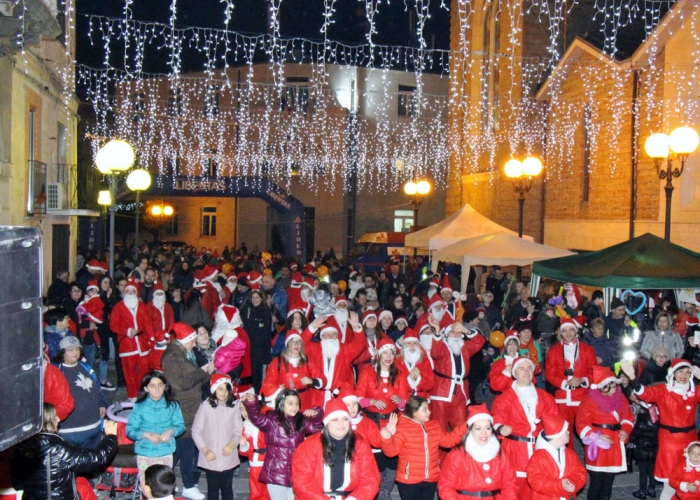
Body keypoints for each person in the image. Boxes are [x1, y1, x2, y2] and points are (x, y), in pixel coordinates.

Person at [620, 358, 700, 500]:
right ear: (673, 373)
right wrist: (632, 378)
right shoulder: (664, 391)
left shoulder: (694, 392)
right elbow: (644, 393)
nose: (684, 375)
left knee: (693, 480)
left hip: (691, 442)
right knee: (670, 483)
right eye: (680, 371)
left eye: (688, 372)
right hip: (670, 442)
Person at [10, 403, 118, 500]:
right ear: (46, 422)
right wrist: (111, 437)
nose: (58, 419)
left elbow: (17, 484)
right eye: (53, 417)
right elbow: (96, 458)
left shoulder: (19, 448)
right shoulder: (57, 449)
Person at [161, 323, 216, 500]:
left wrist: (207, 373)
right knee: (182, 449)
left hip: (190, 409)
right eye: (192, 341)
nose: (194, 344)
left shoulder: (183, 353)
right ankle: (168, 482)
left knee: (186, 448)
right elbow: (180, 383)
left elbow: (192, 377)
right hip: (183, 410)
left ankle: (184, 484)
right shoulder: (172, 357)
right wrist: (201, 372)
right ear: (185, 341)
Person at [241, 389, 324, 500]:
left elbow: (316, 428)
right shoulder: (272, 419)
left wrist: (316, 414)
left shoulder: (301, 420)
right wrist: (251, 403)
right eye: (290, 403)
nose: (294, 407)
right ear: (281, 403)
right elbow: (256, 418)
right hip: (276, 473)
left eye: (297, 403)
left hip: (295, 472)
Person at [492, 356, 558, 493]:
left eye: (529, 368)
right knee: (514, 488)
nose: (526, 372)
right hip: (515, 451)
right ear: (514, 373)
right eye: (521, 369)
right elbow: (497, 419)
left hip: (539, 449)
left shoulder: (545, 397)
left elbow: (556, 421)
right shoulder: (505, 398)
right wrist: (501, 428)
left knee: (538, 489)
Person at [379, 396, 466, 500]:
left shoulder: (434, 426)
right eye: (425, 409)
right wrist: (387, 438)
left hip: (431, 478)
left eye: (428, 408)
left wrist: (465, 426)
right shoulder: (403, 428)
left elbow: (449, 441)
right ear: (414, 412)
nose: (429, 412)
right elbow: (392, 452)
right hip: (409, 480)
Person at [292, 398, 380, 500]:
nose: (341, 423)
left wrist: (355, 498)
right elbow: (302, 482)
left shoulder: (360, 444)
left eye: (345, 419)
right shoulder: (308, 446)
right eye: (335, 420)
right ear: (327, 423)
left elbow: (370, 478)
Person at [437, 404, 519, 500]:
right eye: (478, 428)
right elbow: (445, 486)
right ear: (470, 430)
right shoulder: (457, 455)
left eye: (487, 428)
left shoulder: (500, 453)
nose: (484, 433)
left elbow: (510, 484)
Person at [576, 365, 634, 500]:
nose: (614, 390)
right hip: (597, 444)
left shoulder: (621, 398)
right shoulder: (589, 400)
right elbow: (581, 423)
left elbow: (628, 416)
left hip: (614, 443)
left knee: (608, 482)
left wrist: (625, 431)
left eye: (615, 386)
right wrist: (595, 436)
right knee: (596, 481)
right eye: (611, 387)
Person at [126, 370, 186, 486]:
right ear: (146, 389)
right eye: (152, 386)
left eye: (160, 385)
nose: (157, 389)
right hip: (145, 452)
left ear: (165, 386)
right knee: (146, 487)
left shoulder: (172, 406)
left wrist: (170, 431)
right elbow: (130, 430)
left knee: (163, 486)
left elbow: (180, 426)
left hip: (165, 451)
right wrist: (145, 434)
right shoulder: (139, 406)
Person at [545, 317, 597, 449]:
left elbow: (593, 372)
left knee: (586, 431)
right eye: (565, 331)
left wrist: (583, 380)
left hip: (582, 397)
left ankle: (591, 462)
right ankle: (568, 463)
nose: (568, 334)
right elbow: (549, 374)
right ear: (560, 333)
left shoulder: (587, 350)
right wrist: (564, 383)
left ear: (576, 332)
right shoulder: (554, 351)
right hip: (562, 398)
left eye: (571, 330)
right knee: (564, 434)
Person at [427, 316, 486, 432]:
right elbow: (436, 353)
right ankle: (438, 451)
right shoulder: (442, 347)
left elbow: (480, 341)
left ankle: (461, 450)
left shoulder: (465, 348)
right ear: (446, 336)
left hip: (461, 393)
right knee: (439, 427)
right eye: (452, 333)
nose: (456, 335)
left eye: (458, 333)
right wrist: (437, 331)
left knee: (461, 427)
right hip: (441, 392)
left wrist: (465, 330)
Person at [192, 374, 244, 500]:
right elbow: (196, 431)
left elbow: (238, 430)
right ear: (214, 389)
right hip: (211, 455)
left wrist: (232, 443)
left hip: (227, 454)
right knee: (213, 489)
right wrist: (205, 449)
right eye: (220, 389)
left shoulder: (233, 407)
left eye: (226, 389)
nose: (223, 392)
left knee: (227, 488)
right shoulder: (205, 407)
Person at [54, 335, 107, 449]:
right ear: (62, 352)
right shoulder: (56, 372)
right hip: (70, 433)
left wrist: (102, 403)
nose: (75, 352)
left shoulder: (86, 367)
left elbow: (97, 387)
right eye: (70, 350)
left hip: (94, 428)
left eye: (77, 349)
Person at [110, 277, 153, 401]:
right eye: (128, 291)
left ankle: (143, 393)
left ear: (136, 293)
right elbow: (113, 325)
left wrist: (152, 339)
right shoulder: (118, 307)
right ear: (124, 292)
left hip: (142, 344)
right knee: (129, 373)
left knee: (144, 370)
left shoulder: (142, 306)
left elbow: (148, 324)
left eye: (133, 292)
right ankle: (132, 396)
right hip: (127, 345)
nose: (130, 294)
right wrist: (127, 331)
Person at [526, 413, 587, 500]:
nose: (569, 432)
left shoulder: (570, 454)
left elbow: (580, 472)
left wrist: (573, 483)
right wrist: (559, 485)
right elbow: (536, 481)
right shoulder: (538, 458)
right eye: (565, 431)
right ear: (556, 436)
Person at [623, 381, 659, 499]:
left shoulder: (643, 417)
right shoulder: (657, 415)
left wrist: (631, 440)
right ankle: (652, 489)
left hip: (642, 447)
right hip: (654, 447)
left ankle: (642, 491)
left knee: (643, 472)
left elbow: (637, 431)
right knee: (652, 470)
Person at [261, 330, 314, 410]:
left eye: (299, 342)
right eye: (292, 342)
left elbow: (321, 377)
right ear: (287, 344)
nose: (296, 345)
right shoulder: (277, 361)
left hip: (304, 404)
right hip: (285, 403)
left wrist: (312, 381)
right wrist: (280, 390)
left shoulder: (307, 360)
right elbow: (267, 384)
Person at [240, 290, 273, 393]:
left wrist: (253, 325)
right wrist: (257, 325)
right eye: (253, 297)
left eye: (257, 297)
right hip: (249, 347)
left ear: (261, 298)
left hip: (260, 348)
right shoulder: (246, 309)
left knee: (259, 371)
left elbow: (266, 330)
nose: (254, 300)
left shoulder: (266, 310)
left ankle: (258, 392)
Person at [238, 402, 270, 500]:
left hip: (270, 462)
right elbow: (246, 452)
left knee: (271, 492)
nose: (244, 412)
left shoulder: (265, 419)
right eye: (241, 409)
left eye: (246, 408)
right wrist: (244, 445)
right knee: (256, 492)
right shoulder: (245, 426)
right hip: (255, 463)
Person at [396, 328, 434, 398]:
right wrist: (410, 378)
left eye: (415, 343)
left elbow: (430, 384)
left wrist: (418, 378)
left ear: (418, 345)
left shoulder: (425, 361)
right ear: (404, 345)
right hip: (404, 398)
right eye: (409, 343)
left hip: (421, 399)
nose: (412, 346)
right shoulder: (397, 361)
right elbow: (396, 384)